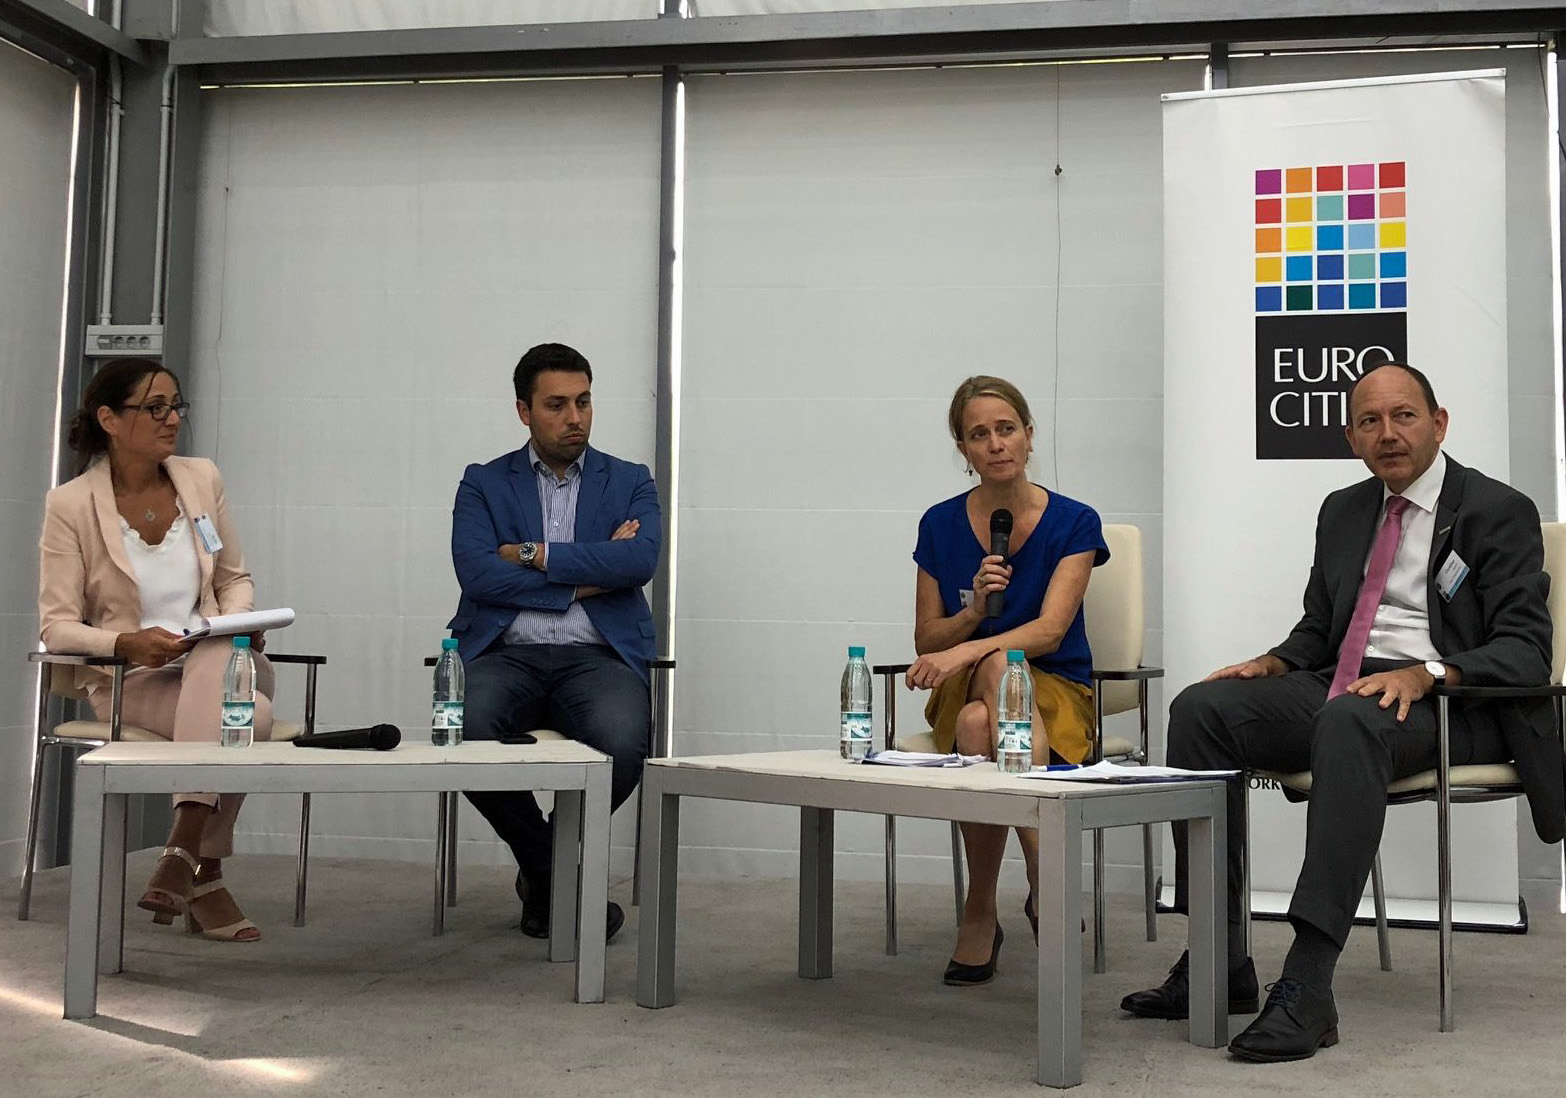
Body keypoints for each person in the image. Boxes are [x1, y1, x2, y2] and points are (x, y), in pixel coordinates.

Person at [1121, 362, 1560, 1062]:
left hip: (1455, 701)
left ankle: (1308, 986)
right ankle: (1217, 956)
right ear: (1351, 438)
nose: (1388, 434)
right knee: (1202, 709)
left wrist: (1427, 673)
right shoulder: (1344, 509)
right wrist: (1274, 662)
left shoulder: (1496, 510)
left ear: (1439, 423)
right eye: (1369, 422)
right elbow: (1322, 628)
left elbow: (1526, 651)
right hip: (1350, 686)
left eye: (1404, 416)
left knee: (1348, 720)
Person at [39, 358, 273, 942]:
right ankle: (204, 873)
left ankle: (180, 849)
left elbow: (235, 579)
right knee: (252, 716)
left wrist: (233, 621)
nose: (172, 419)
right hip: (131, 682)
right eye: (155, 408)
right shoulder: (71, 505)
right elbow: (57, 627)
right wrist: (125, 642)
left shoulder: (201, 479)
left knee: (216, 654)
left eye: (176, 406)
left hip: (216, 664)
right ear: (109, 419)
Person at [448, 342, 661, 943]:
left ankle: (544, 873)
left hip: (598, 657)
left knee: (622, 744)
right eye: (557, 405)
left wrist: (531, 554)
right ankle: (552, 870)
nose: (575, 418)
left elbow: (638, 561)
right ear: (524, 411)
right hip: (504, 653)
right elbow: (478, 574)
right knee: (463, 728)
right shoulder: (484, 483)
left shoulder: (630, 480)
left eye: (584, 402)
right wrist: (586, 577)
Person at [905, 375, 1109, 985]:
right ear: (963, 450)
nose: (995, 444)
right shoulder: (939, 524)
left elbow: (1049, 631)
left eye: (1006, 429)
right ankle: (1049, 878)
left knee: (979, 723)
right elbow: (927, 641)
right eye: (978, 435)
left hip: (1054, 687)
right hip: (964, 680)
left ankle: (979, 910)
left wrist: (972, 648)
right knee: (991, 674)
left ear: (1028, 434)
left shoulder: (1075, 521)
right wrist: (972, 613)